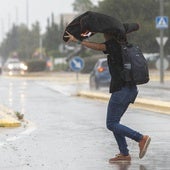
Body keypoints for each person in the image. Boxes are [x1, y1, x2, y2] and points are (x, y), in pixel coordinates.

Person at [64, 31, 151, 163]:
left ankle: (140, 138)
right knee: (115, 122)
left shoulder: (113, 46)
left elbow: (96, 46)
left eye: (106, 34)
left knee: (111, 123)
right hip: (130, 89)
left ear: (111, 35)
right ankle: (124, 153)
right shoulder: (125, 46)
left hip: (121, 90)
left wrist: (77, 40)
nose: (104, 36)